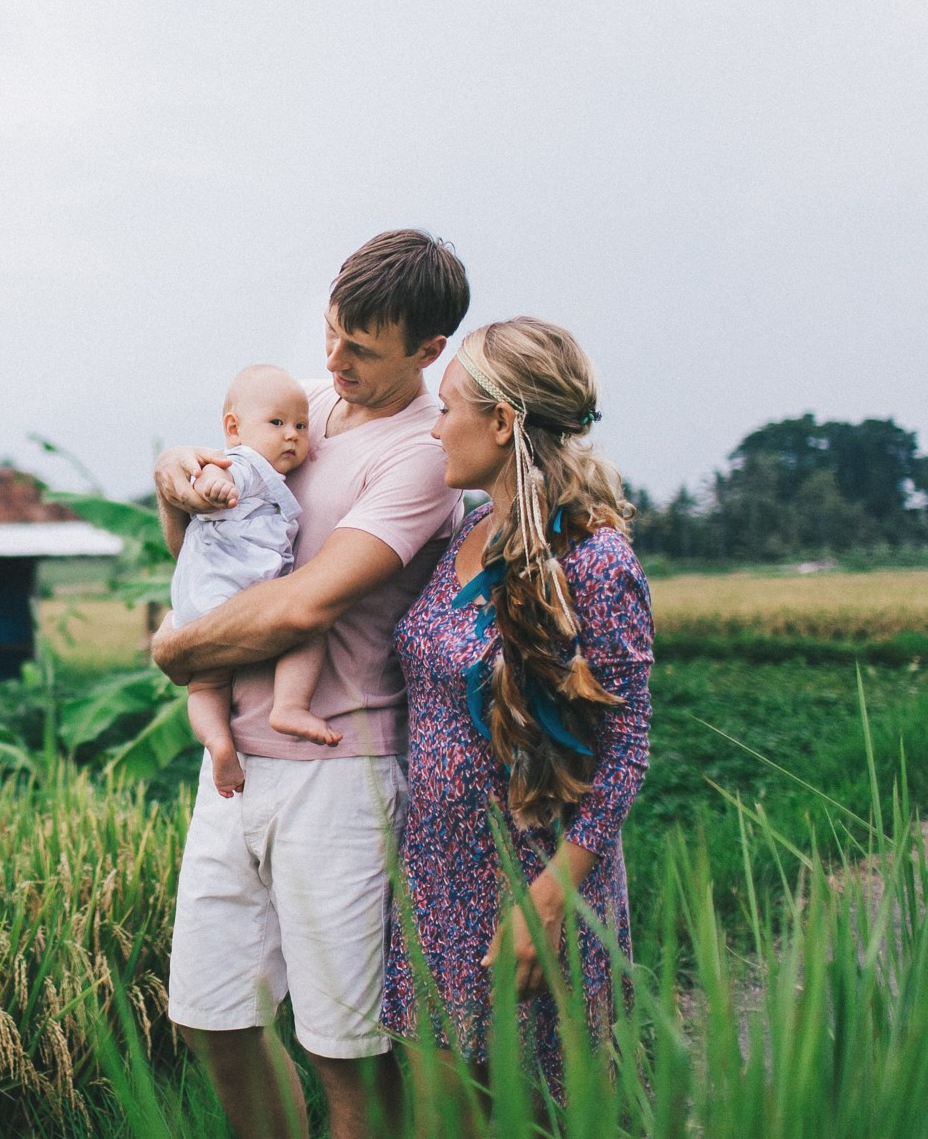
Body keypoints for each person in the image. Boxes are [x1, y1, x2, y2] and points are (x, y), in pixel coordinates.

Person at [153, 230, 469, 1139]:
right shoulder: (301, 406)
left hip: (341, 770)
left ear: (427, 351)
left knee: (341, 1048)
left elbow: (302, 608)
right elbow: (203, 548)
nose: (335, 361)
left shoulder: (422, 456)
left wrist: (179, 654)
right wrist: (173, 481)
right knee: (210, 1017)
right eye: (333, 333)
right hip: (235, 770)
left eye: (362, 350)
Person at [379, 317, 652, 1106]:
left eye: (449, 407)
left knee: (548, 1112)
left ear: (503, 422)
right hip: (435, 876)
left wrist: (549, 899)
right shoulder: (467, 529)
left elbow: (625, 747)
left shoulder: (593, 559)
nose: (435, 427)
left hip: (538, 882)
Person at [171, 365, 331, 800]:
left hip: (198, 605)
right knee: (311, 629)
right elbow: (213, 474)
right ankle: (290, 706)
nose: (293, 435)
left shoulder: (264, 472)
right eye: (277, 423)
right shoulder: (247, 465)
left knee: (206, 685)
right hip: (238, 599)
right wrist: (216, 485)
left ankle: (219, 743)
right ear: (233, 429)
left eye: (301, 425)